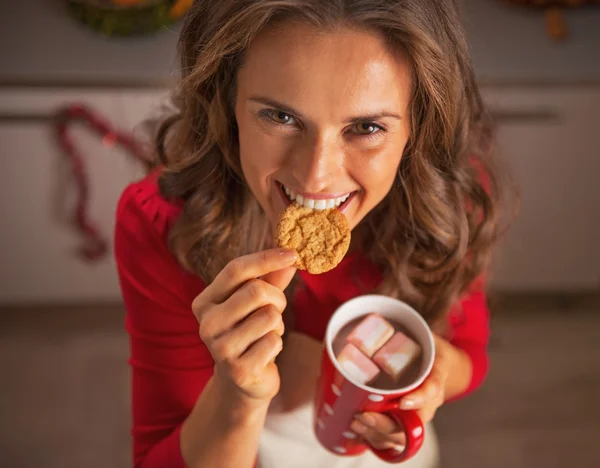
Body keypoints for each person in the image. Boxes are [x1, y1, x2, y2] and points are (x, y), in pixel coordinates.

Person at [115, 1, 513, 467]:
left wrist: (430, 379)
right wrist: (237, 392)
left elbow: (469, 352)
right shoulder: (164, 225)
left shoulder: (447, 202)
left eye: (366, 127)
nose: (316, 177)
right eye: (281, 117)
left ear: (417, 124)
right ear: (226, 100)